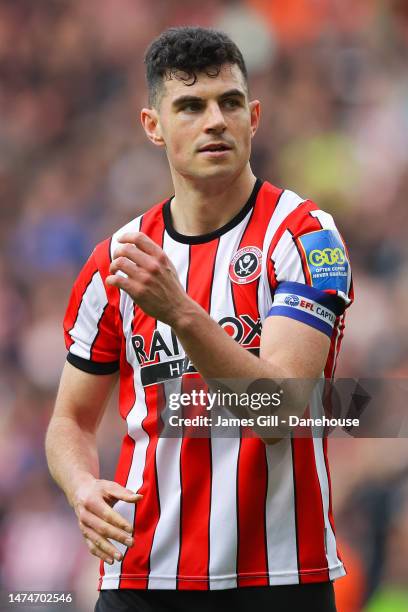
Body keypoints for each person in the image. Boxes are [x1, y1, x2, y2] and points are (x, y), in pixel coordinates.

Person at [45, 26, 353, 612]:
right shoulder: (117, 261)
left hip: (280, 577)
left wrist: (181, 311)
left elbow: (282, 411)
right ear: (152, 126)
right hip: (140, 581)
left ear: (254, 116)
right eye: (190, 106)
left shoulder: (306, 235)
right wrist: (81, 486)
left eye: (229, 103)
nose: (215, 121)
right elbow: (71, 421)